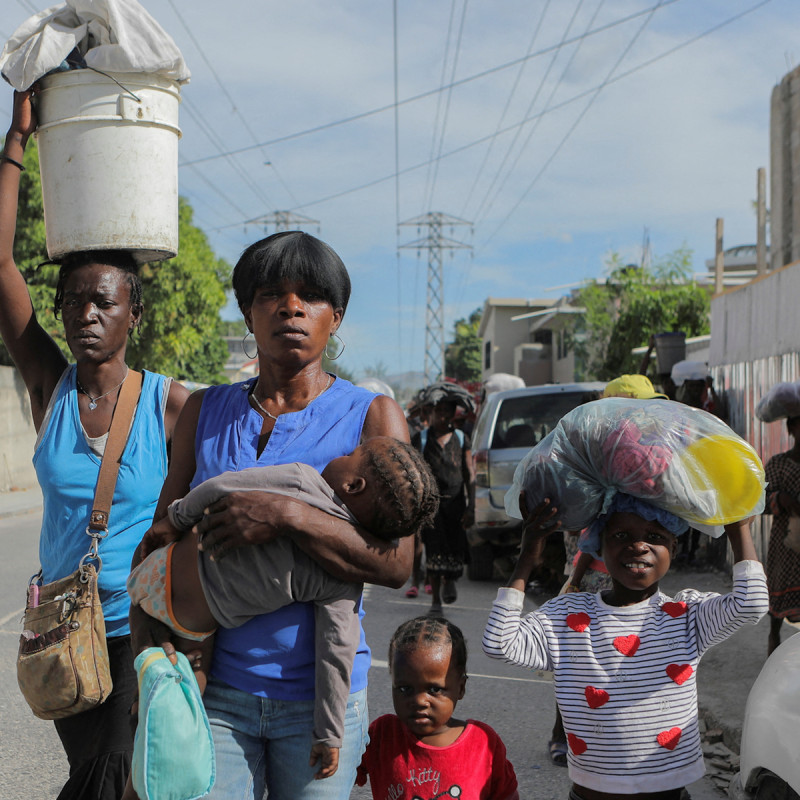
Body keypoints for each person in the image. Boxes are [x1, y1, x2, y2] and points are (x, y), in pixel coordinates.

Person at [130, 230, 414, 800]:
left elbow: (397, 563)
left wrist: (287, 514)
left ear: (335, 317)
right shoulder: (206, 410)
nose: (290, 307)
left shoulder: (372, 416)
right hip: (214, 692)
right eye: (270, 295)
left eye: (310, 295)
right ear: (247, 312)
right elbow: (162, 531)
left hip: (320, 703)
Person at [0, 90, 189, 799]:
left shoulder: (170, 405)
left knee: (115, 779)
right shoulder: (49, 386)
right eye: (75, 300)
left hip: (140, 628)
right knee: (95, 776)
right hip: (61, 631)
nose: (86, 314)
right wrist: (17, 140)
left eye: (103, 301)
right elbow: (1, 272)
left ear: (132, 313)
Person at [128, 437, 438, 778]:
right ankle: (160, 738)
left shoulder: (301, 480)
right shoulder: (342, 575)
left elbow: (220, 486)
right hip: (193, 625)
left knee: (150, 644)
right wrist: (329, 733)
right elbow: (336, 654)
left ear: (353, 484)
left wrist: (175, 519)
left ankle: (141, 718)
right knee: (189, 680)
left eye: (350, 455)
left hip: (161, 568)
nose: (340, 454)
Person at [483, 495, 768, 800]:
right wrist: (527, 558)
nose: (638, 546)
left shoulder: (687, 614)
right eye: (621, 536)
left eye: (655, 537)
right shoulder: (568, 616)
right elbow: (499, 642)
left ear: (673, 548)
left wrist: (739, 530)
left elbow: (751, 603)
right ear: (597, 548)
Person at [356, 616, 520, 800]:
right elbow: (342, 769)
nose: (419, 701)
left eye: (434, 689)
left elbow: (507, 795)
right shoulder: (383, 734)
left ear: (461, 688)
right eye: (404, 689)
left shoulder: (483, 743)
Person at [412, 383, 476, 615]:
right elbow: (414, 471)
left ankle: (450, 581)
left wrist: (472, 507)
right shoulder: (421, 438)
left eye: (448, 412)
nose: (443, 416)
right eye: (439, 412)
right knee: (434, 548)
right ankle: (435, 600)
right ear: (431, 413)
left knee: (455, 546)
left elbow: (470, 474)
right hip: (432, 506)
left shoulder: (461, 437)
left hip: (456, 504)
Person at [761, 415, 800, 654]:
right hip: (785, 542)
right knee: (779, 586)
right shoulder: (778, 464)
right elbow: (759, 501)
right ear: (791, 428)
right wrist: (780, 499)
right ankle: (774, 635)